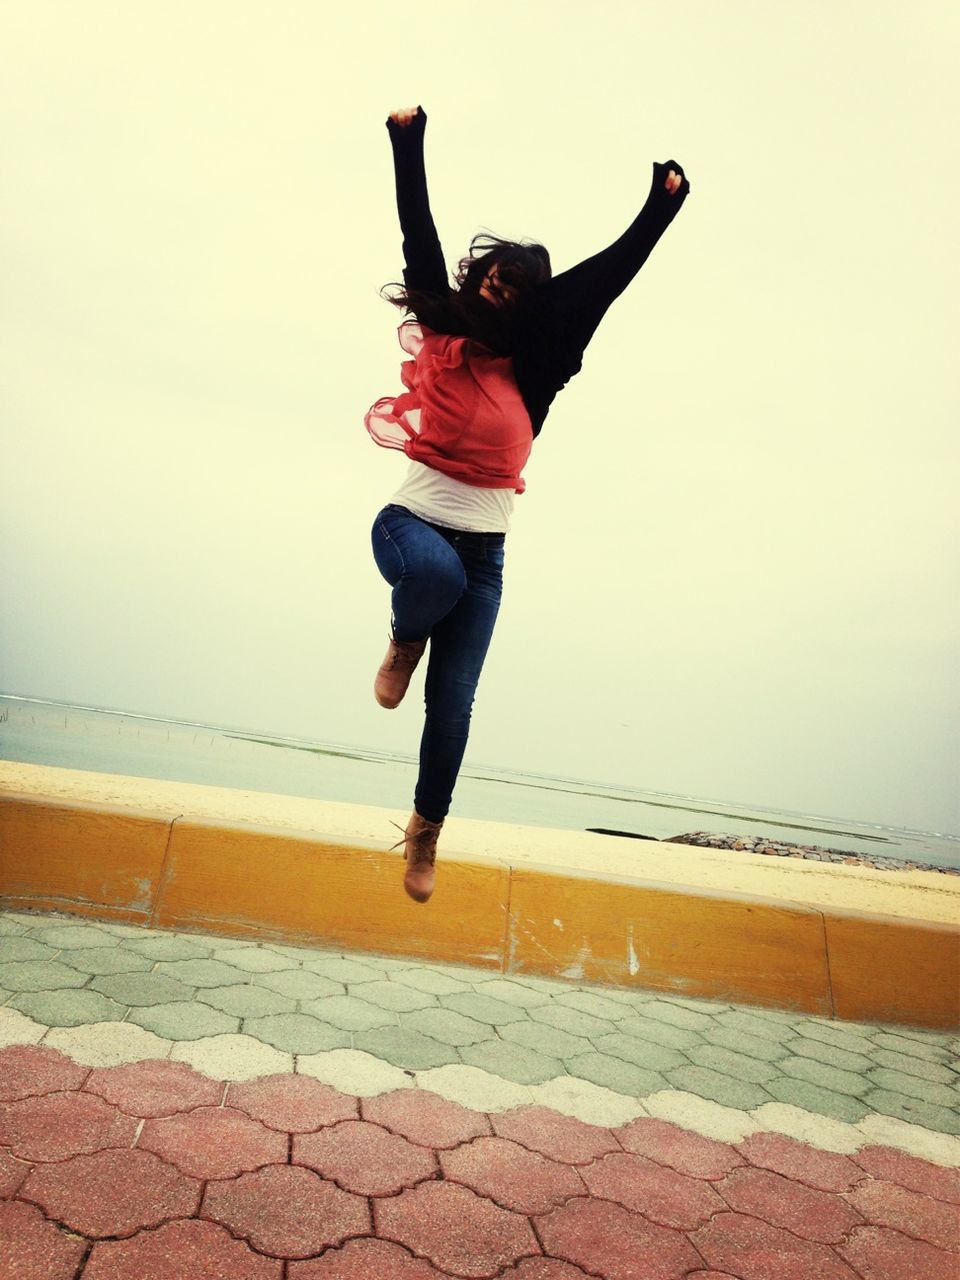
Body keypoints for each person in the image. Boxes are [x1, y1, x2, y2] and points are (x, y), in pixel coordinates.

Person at [366, 105, 690, 903]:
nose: (496, 287)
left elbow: (603, 282)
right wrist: (408, 142)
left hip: (486, 560)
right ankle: (404, 640)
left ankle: (423, 838)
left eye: (513, 286)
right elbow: (419, 234)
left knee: (454, 710)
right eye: (490, 276)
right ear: (475, 283)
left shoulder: (538, 375)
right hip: (411, 529)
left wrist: (661, 208)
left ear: (525, 306)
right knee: (433, 581)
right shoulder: (445, 335)